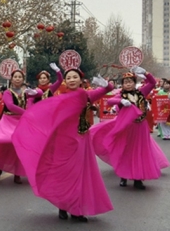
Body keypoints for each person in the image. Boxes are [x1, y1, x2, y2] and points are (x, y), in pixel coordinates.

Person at [12, 68, 114, 222]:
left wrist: (106, 85)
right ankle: (62, 205)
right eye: (69, 77)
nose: (72, 80)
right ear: (65, 81)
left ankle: (76, 209)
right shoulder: (58, 97)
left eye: (75, 77)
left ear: (81, 80)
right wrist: (31, 100)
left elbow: (108, 90)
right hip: (62, 140)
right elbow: (39, 112)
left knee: (79, 174)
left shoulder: (87, 95)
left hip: (81, 140)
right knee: (63, 172)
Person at [90, 68, 169, 189]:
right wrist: (121, 100)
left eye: (130, 81)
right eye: (125, 82)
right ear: (122, 84)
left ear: (134, 82)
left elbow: (152, 83)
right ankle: (123, 176)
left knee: (140, 152)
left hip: (140, 127)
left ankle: (138, 179)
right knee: (126, 151)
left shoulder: (141, 92)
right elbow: (111, 101)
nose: (128, 83)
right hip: (126, 127)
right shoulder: (121, 95)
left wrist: (145, 73)